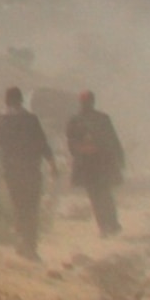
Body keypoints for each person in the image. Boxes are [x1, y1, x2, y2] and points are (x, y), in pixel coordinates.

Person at [0, 88, 59, 261]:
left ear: (6, 101)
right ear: (21, 100)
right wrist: (52, 165)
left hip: (11, 171)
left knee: (19, 206)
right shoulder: (31, 120)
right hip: (31, 170)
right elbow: (43, 144)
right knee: (31, 208)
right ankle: (30, 247)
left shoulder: (0, 121)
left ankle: (22, 241)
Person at [63, 90, 124, 237]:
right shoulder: (92, 119)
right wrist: (119, 158)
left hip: (95, 164)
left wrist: (119, 157)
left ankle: (109, 225)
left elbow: (112, 140)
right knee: (100, 195)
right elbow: (72, 143)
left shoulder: (84, 120)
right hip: (94, 164)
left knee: (100, 195)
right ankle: (107, 225)